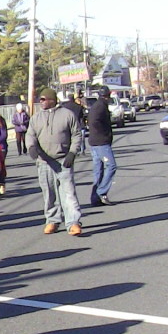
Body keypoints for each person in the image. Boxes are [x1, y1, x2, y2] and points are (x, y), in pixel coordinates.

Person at [27, 88, 83, 236]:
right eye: (40, 99)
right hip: (44, 162)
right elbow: (30, 135)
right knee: (49, 193)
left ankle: (73, 222)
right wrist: (31, 147)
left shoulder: (67, 115)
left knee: (68, 193)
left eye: (44, 99)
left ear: (52, 100)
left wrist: (72, 153)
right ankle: (52, 220)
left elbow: (77, 135)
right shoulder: (36, 118)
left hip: (63, 160)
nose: (41, 102)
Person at [87, 86, 118, 206]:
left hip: (95, 141)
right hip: (101, 142)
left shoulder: (97, 105)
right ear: (107, 96)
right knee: (111, 166)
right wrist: (104, 134)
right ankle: (101, 192)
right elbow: (94, 122)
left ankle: (95, 198)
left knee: (98, 170)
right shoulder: (100, 106)